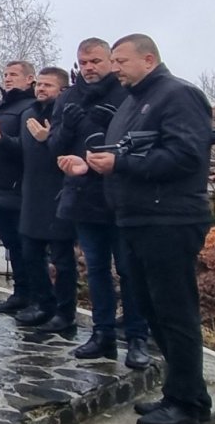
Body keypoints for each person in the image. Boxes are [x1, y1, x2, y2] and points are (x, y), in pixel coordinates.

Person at [71, 34, 213, 424]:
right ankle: (182, 393)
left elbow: (186, 155)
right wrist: (91, 166)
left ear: (148, 59)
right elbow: (125, 153)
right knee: (153, 310)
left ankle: (188, 402)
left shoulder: (177, 95)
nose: (115, 68)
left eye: (121, 60)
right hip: (134, 219)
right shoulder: (132, 101)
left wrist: (120, 165)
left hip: (168, 220)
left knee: (174, 311)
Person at [50, 38, 149, 368]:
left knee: (129, 270)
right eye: (84, 62)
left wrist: (101, 125)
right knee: (95, 271)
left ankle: (137, 337)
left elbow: (139, 143)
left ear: (109, 61)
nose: (89, 68)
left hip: (120, 196)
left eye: (95, 61)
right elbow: (55, 146)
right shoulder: (68, 97)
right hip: (83, 196)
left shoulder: (127, 93)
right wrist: (69, 126)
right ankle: (102, 333)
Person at [0, 68, 79, 335]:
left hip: (58, 194)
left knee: (62, 261)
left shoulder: (68, 115)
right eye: (40, 84)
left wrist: (49, 138)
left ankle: (65, 312)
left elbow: (72, 152)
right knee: (30, 253)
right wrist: (0, 140)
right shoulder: (29, 114)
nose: (41, 89)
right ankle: (43, 303)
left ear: (62, 90)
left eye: (48, 85)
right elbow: (22, 149)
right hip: (30, 194)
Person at [0, 62, 37, 316]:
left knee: (26, 247)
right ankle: (21, 293)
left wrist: (0, 140)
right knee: (13, 244)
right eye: (5, 75)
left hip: (17, 188)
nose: (8, 79)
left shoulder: (30, 108)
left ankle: (34, 296)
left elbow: (27, 148)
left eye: (14, 74)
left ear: (29, 79)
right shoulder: (0, 108)